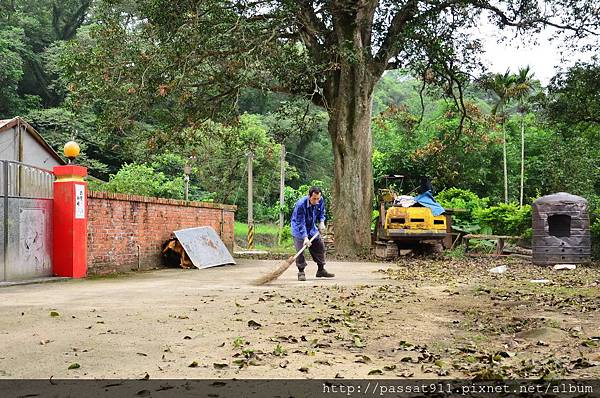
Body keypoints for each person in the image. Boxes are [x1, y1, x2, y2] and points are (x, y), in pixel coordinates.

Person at [290, 186, 335, 281]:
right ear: (309, 196)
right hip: (299, 228)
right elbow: (300, 223)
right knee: (300, 251)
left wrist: (322, 222)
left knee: (320, 246)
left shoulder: (320, 200)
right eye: (314, 198)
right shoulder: (301, 205)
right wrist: (305, 238)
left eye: (318, 198)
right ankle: (301, 271)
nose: (316, 201)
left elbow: (322, 212)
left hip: (311, 227)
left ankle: (321, 270)